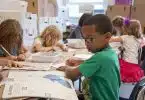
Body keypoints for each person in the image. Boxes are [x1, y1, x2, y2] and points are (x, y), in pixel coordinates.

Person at [58, 14, 120, 100]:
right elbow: (100, 67)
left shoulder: (101, 57)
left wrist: (66, 68)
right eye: (85, 39)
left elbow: (72, 75)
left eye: (90, 39)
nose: (87, 43)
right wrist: (82, 63)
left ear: (107, 37)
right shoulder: (110, 53)